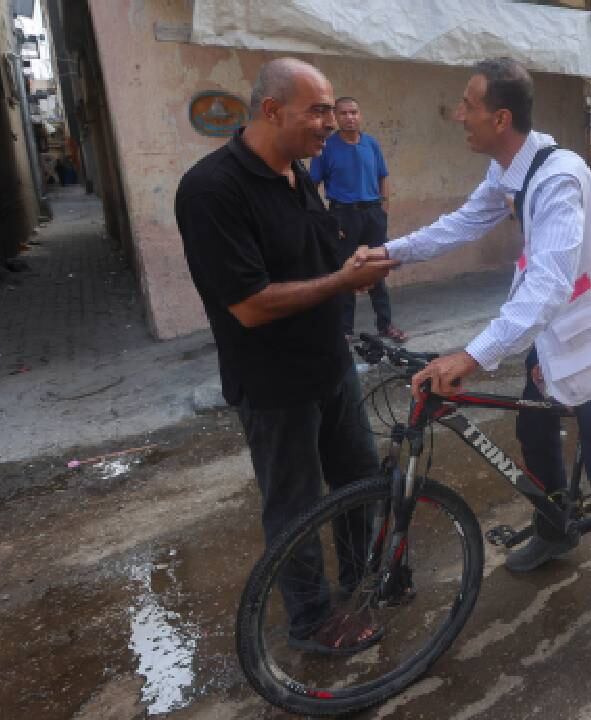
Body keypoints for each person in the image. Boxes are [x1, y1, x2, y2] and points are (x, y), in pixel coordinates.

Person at [369, 58, 591, 650]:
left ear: (500, 116)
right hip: (554, 333)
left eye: (468, 105)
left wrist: (473, 355)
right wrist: (393, 253)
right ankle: (555, 531)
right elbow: (464, 223)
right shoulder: (511, 167)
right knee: (535, 436)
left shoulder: (558, 178)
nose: (459, 115)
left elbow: (548, 286)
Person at [174, 58, 399, 654]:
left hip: (331, 368)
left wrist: (356, 268)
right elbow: (247, 304)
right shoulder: (211, 189)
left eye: (331, 109)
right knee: (296, 508)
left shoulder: (297, 176)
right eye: (318, 110)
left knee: (359, 480)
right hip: (274, 385)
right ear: (271, 110)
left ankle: (361, 581)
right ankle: (313, 623)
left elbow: (320, 258)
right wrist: (341, 283)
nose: (330, 122)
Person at [310, 97, 408, 342]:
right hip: (343, 215)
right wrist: (327, 221)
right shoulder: (326, 147)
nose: (349, 117)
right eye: (343, 113)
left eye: (353, 112)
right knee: (346, 271)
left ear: (360, 115)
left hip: (373, 213)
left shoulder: (371, 144)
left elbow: (383, 176)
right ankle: (344, 330)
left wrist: (384, 207)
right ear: (336, 117)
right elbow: (312, 186)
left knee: (377, 269)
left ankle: (385, 325)